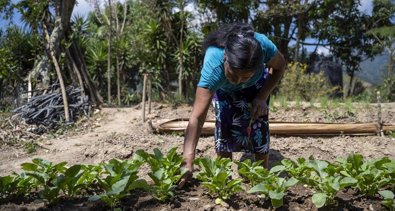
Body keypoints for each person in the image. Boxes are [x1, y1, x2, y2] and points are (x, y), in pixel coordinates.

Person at [179, 23, 286, 187]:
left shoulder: (264, 47)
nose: (238, 82)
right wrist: (188, 157)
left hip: (256, 87)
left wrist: (262, 97)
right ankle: (224, 181)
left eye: (245, 77)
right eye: (234, 74)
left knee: (258, 123)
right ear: (225, 59)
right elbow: (197, 117)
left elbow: (280, 67)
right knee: (224, 125)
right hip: (223, 88)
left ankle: (261, 179)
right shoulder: (213, 66)